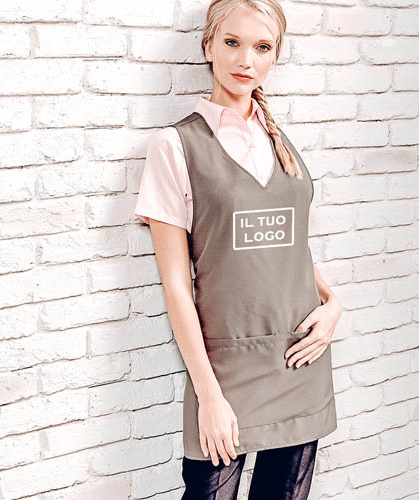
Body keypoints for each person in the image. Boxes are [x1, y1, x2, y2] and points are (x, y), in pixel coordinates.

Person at [134, 0, 343, 498]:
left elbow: (292, 245)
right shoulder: (176, 145)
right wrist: (209, 395)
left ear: (275, 57)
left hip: (299, 358)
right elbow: (176, 285)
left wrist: (332, 302)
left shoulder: (280, 142)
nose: (245, 60)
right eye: (232, 42)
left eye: (262, 47)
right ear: (209, 46)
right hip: (224, 370)